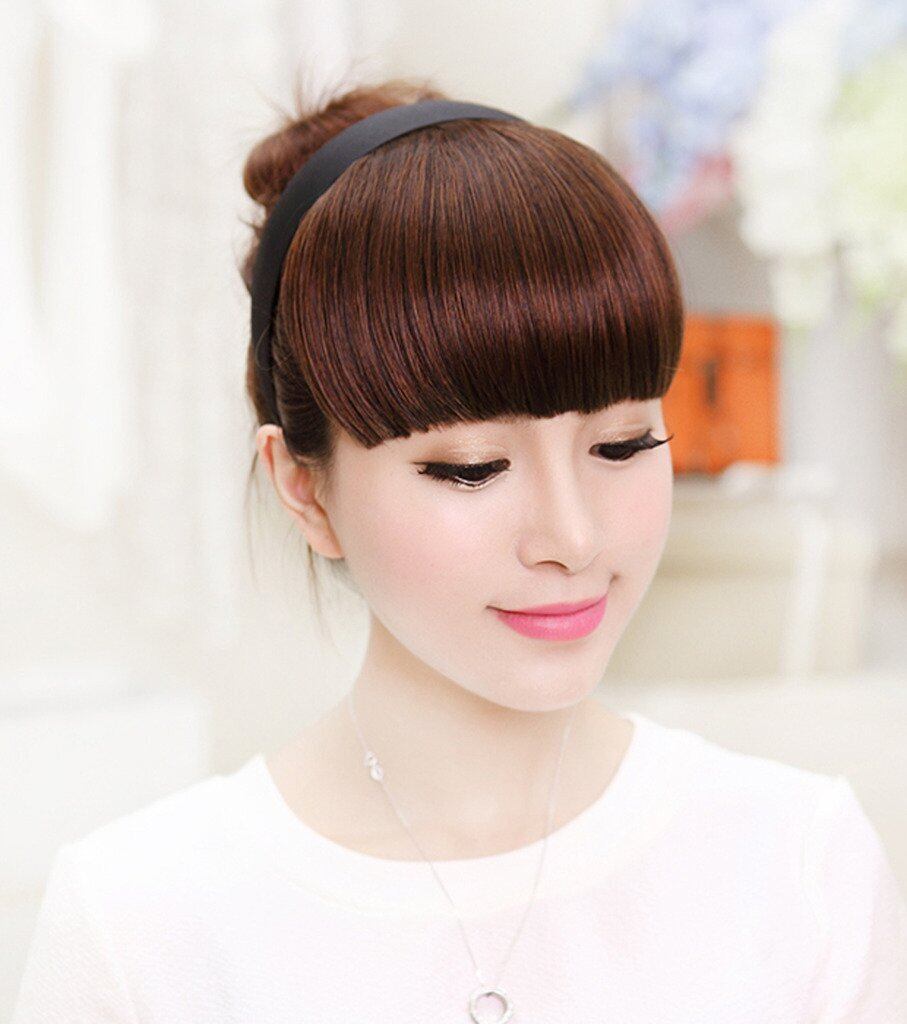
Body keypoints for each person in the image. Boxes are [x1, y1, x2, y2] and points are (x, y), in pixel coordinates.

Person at [12, 77, 907, 1024]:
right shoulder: (140, 926)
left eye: (621, 446)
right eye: (473, 469)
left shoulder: (795, 865)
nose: (571, 536)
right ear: (304, 488)